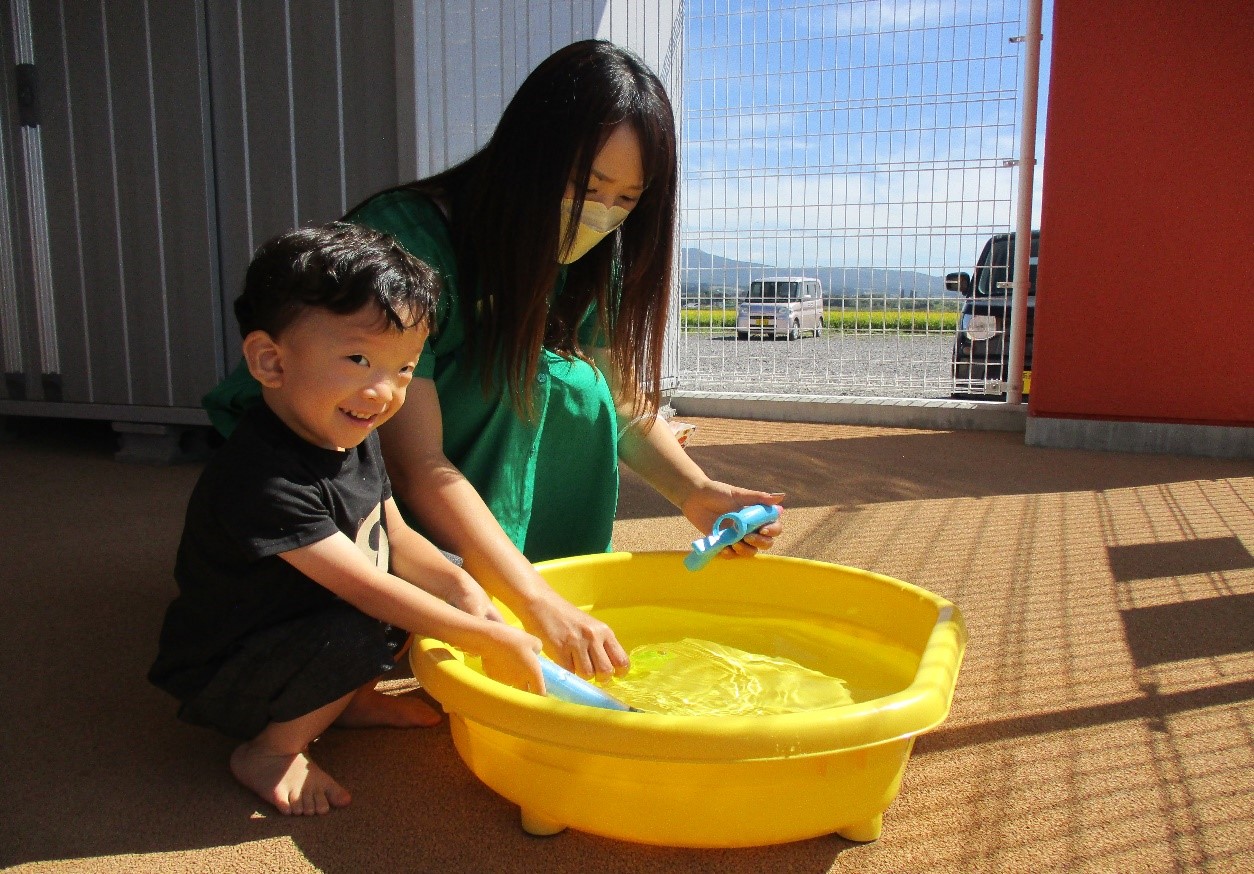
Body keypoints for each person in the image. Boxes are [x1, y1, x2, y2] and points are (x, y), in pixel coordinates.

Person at [204, 40, 784, 682]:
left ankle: (515, 569)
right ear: (527, 158)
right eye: (585, 186)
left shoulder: (593, 260)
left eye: (626, 200)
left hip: (421, 458)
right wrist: (533, 602)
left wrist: (696, 492)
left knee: (575, 385)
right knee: (526, 380)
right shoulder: (417, 236)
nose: (601, 213)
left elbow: (619, 400)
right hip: (332, 449)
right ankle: (492, 580)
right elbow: (416, 462)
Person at [149, 223, 544, 816]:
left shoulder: (349, 431)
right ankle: (272, 748)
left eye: (406, 367)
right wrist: (484, 635)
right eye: (359, 359)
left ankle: (348, 700)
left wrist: (465, 590)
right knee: (364, 618)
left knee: (446, 573)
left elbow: (396, 534)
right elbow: (363, 586)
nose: (384, 391)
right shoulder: (261, 479)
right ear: (269, 361)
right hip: (230, 671)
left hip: (305, 625)